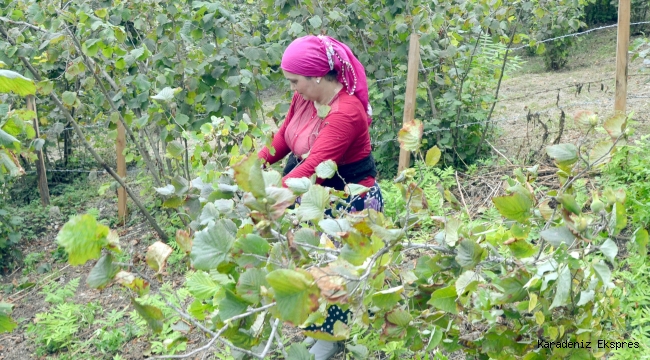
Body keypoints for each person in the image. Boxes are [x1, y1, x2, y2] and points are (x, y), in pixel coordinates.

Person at [257, 35, 384, 360]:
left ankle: (332, 339)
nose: (292, 88)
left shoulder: (346, 112)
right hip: (315, 197)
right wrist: (253, 165)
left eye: (294, 80)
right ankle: (323, 333)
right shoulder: (305, 98)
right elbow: (284, 138)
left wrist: (264, 195)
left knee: (334, 273)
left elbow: (314, 165)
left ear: (316, 76)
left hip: (349, 201)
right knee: (314, 267)